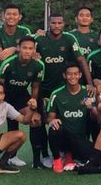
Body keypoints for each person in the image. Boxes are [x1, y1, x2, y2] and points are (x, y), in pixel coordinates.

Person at [34, 13, 88, 168]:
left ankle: (71, 152)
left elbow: (80, 60)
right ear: (48, 24)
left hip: (63, 88)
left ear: (64, 24)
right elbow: (25, 48)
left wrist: (88, 82)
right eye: (53, 23)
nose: (56, 26)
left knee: (70, 120)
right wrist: (33, 55)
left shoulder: (70, 38)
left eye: (59, 23)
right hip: (43, 90)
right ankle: (43, 157)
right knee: (41, 121)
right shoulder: (39, 39)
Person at [0, 36, 45, 167]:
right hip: (6, 96)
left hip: (22, 96)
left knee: (36, 119)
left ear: (34, 50)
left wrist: (33, 101)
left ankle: (36, 161)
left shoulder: (39, 65)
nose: (27, 51)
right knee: (10, 123)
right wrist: (0, 103)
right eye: (24, 48)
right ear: (18, 48)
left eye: (30, 48)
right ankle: (11, 156)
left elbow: (35, 86)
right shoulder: (8, 63)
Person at [47, 63, 98, 173]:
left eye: (75, 74)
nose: (72, 77)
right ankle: (57, 159)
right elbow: (49, 118)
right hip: (64, 136)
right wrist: (53, 120)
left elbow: (96, 118)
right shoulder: (56, 94)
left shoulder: (88, 93)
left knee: (95, 158)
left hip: (80, 138)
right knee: (54, 127)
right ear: (64, 76)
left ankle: (72, 156)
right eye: (69, 74)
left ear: (80, 75)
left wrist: (91, 107)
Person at [0, 3, 32, 85]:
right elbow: (0, 57)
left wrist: (14, 49)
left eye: (15, 14)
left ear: (20, 17)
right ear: (3, 16)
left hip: (16, 76)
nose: (11, 17)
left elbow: (28, 54)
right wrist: (19, 51)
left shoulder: (25, 31)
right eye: (8, 14)